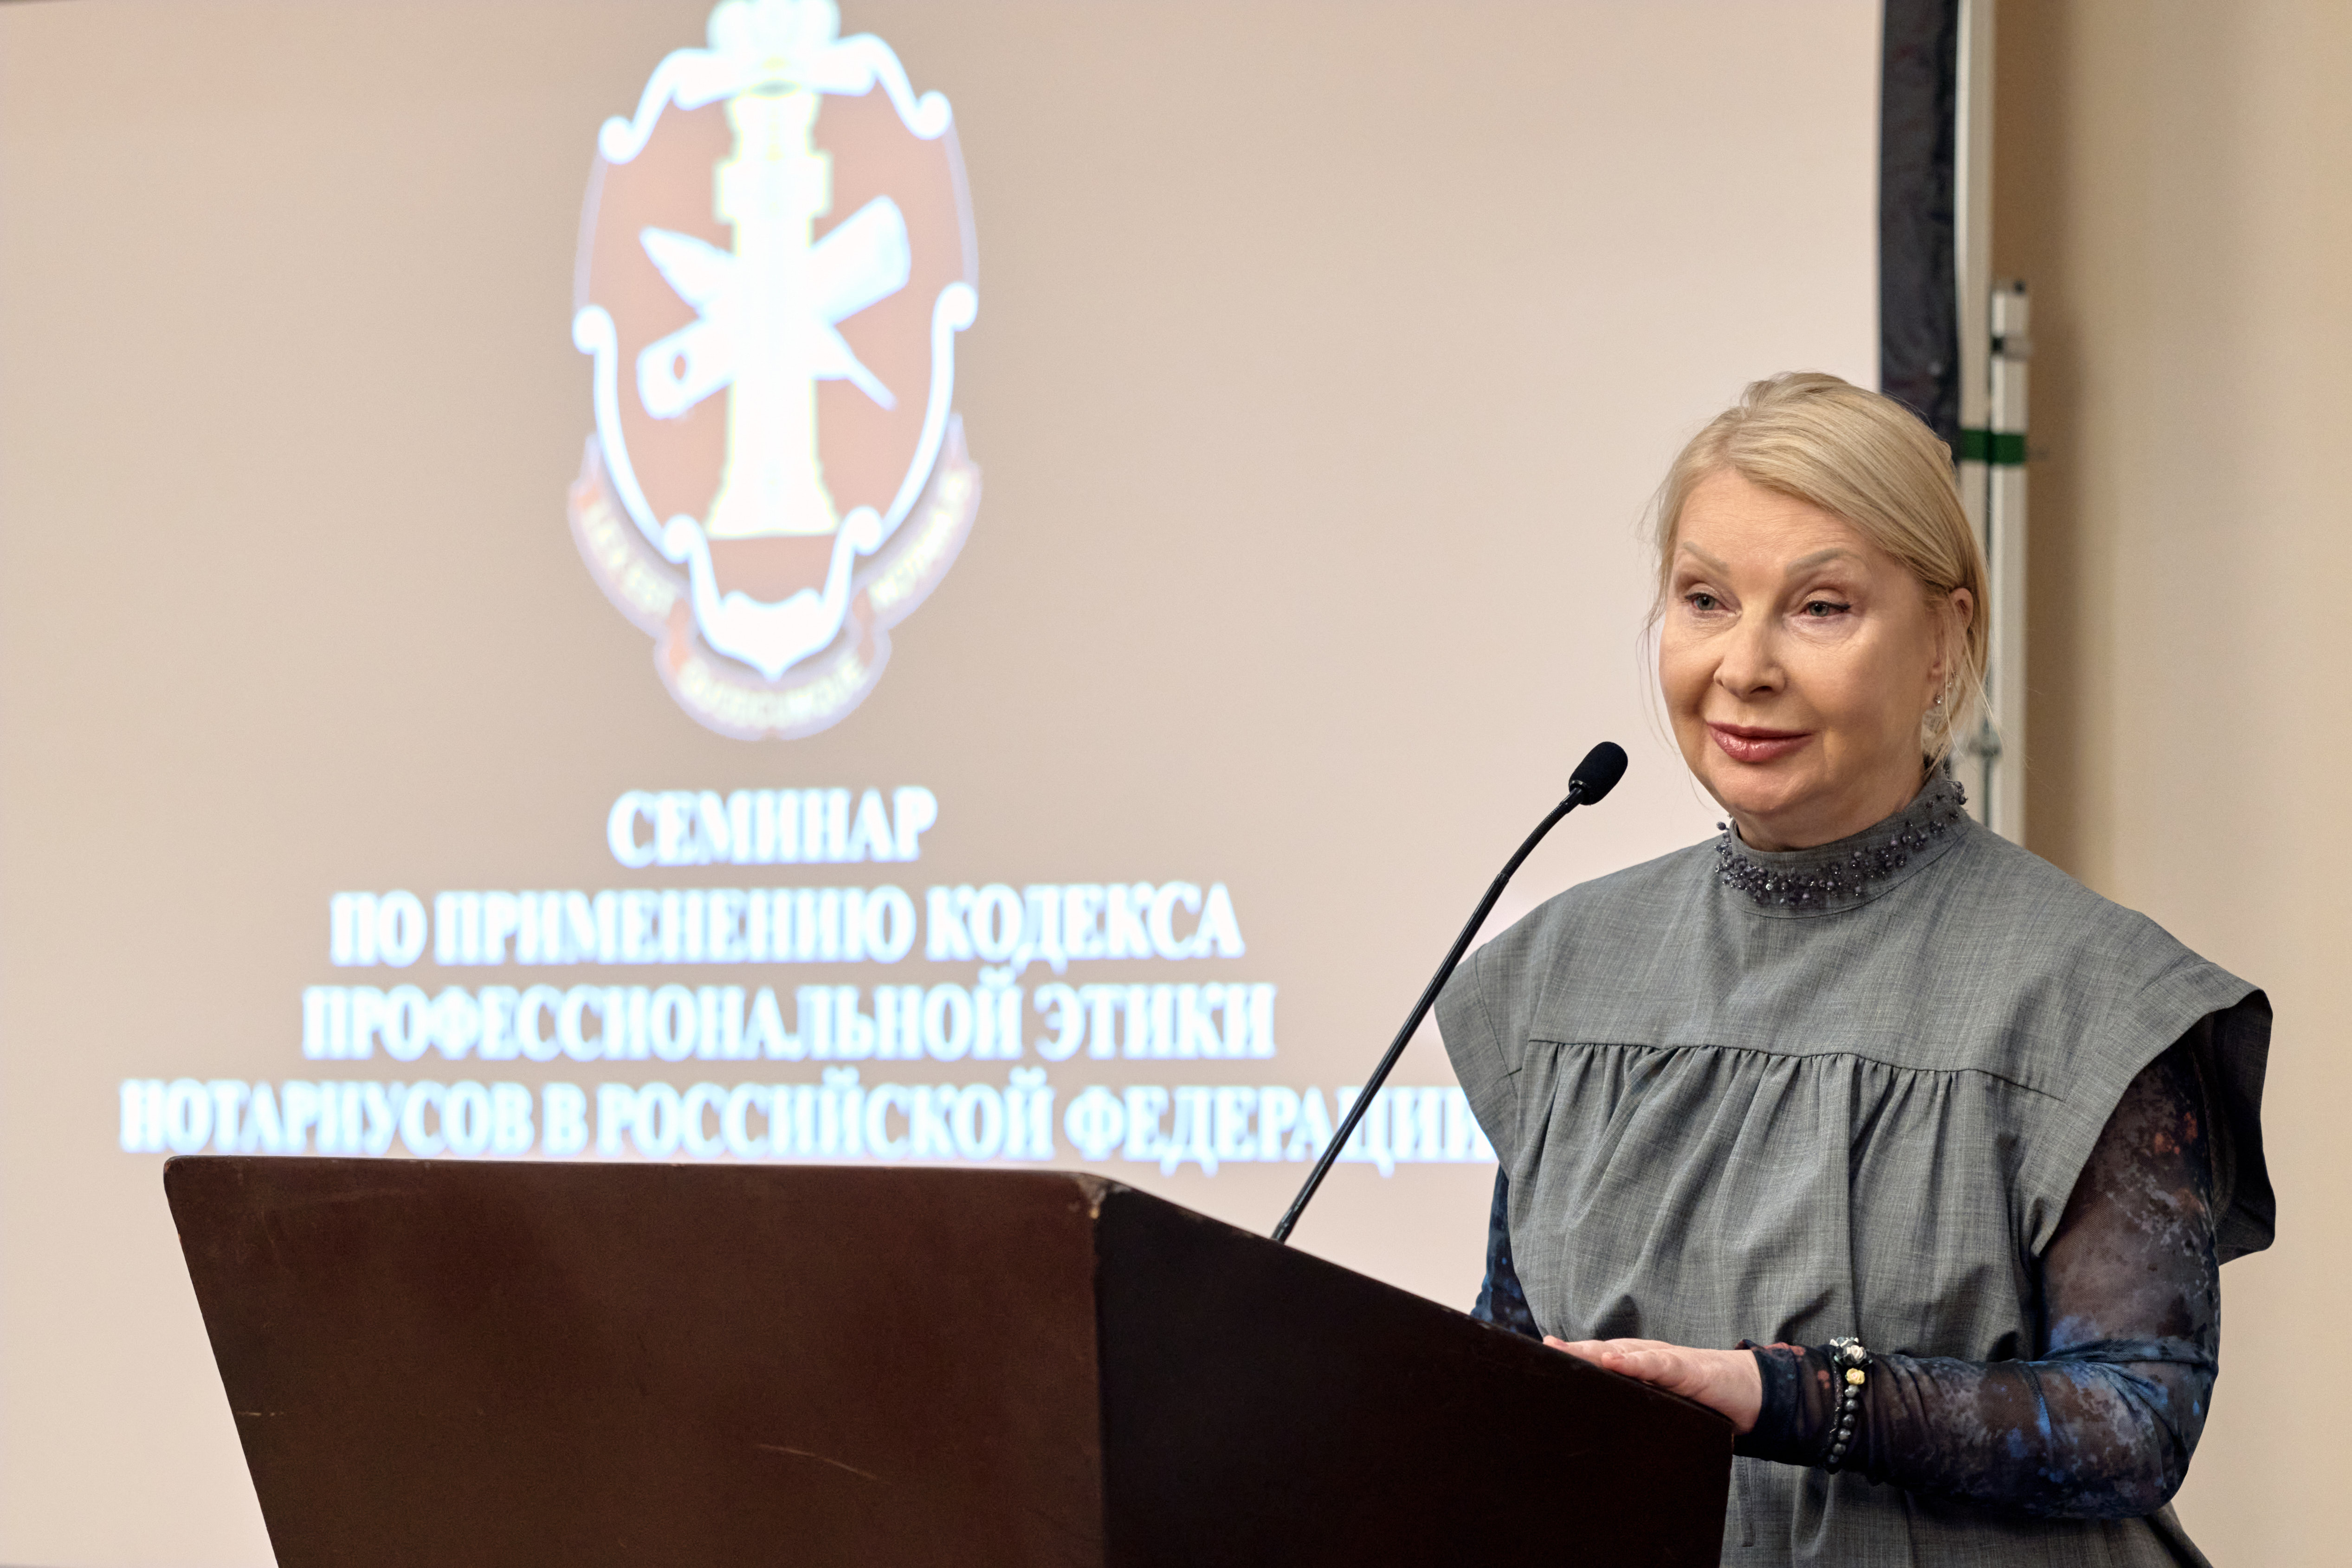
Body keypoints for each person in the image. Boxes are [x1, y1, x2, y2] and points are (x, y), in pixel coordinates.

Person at [1438, 372, 2272, 1567]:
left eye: (1818, 607)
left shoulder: (2093, 990)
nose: (1743, 665)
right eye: (1704, 599)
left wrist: (1790, 1397)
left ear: (1943, 638)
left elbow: (2136, 1419)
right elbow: (1517, 1373)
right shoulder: (1562, 969)